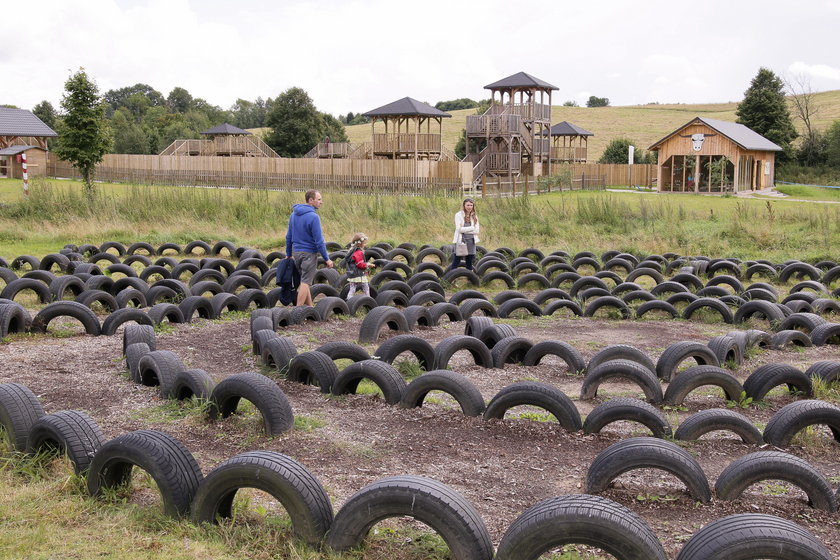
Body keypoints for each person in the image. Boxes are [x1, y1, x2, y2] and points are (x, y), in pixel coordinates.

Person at [285, 190, 334, 306]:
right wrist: (327, 258)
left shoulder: (293, 215)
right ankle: (298, 311)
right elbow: (319, 241)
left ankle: (310, 308)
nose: (321, 202)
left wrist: (288, 253)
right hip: (309, 254)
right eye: (319, 199)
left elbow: (289, 236)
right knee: (305, 282)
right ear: (311, 200)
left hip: (296, 253)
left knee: (304, 281)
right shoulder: (314, 217)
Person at [449, 198, 480, 271]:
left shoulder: (474, 216)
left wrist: (465, 230)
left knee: (469, 261)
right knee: (457, 260)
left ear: (473, 206)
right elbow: (459, 229)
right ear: (464, 205)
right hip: (461, 240)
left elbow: (477, 231)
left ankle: (470, 277)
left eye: (471, 205)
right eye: (468, 205)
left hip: (471, 241)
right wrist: (472, 228)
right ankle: (451, 276)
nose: (469, 207)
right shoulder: (458, 215)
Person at [344, 232, 374, 297]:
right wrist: (368, 265)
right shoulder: (359, 252)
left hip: (352, 273)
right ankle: (368, 299)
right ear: (359, 243)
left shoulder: (352, 251)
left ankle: (349, 300)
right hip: (358, 274)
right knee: (366, 287)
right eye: (364, 243)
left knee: (352, 289)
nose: (365, 244)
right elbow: (360, 264)